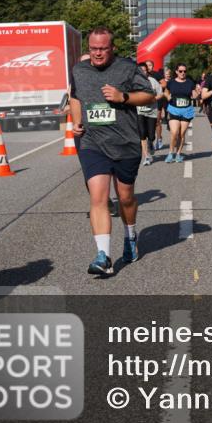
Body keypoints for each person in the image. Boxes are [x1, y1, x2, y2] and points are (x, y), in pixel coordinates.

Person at [69, 27, 155, 275]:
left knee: (125, 197)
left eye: (103, 49)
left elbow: (149, 96)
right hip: (93, 142)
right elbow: (75, 97)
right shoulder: (79, 70)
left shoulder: (127, 68)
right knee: (98, 196)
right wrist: (76, 121)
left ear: (112, 48)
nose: (97, 53)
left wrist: (123, 96)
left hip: (125, 143)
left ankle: (130, 237)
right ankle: (103, 256)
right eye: (93, 49)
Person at [164, 64, 199, 163]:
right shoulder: (171, 82)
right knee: (174, 132)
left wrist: (197, 93)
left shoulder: (189, 82)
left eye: (184, 71)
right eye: (180, 71)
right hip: (174, 109)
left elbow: (194, 95)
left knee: (181, 133)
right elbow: (166, 92)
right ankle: (171, 153)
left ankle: (178, 154)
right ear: (176, 72)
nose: (183, 73)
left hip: (186, 110)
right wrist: (167, 96)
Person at [137, 62, 164, 166]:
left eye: (144, 70)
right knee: (142, 134)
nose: (143, 72)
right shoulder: (135, 81)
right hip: (140, 111)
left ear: (147, 71)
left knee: (151, 135)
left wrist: (153, 99)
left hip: (152, 111)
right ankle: (146, 156)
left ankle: (151, 142)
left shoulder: (153, 81)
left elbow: (161, 94)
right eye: (141, 70)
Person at [146, 60, 166, 151]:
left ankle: (159, 139)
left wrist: (155, 87)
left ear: (152, 67)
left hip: (157, 99)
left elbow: (164, 83)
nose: (148, 67)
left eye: (150, 65)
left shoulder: (156, 74)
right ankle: (150, 140)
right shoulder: (142, 75)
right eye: (147, 65)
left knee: (157, 121)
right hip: (146, 101)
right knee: (147, 121)